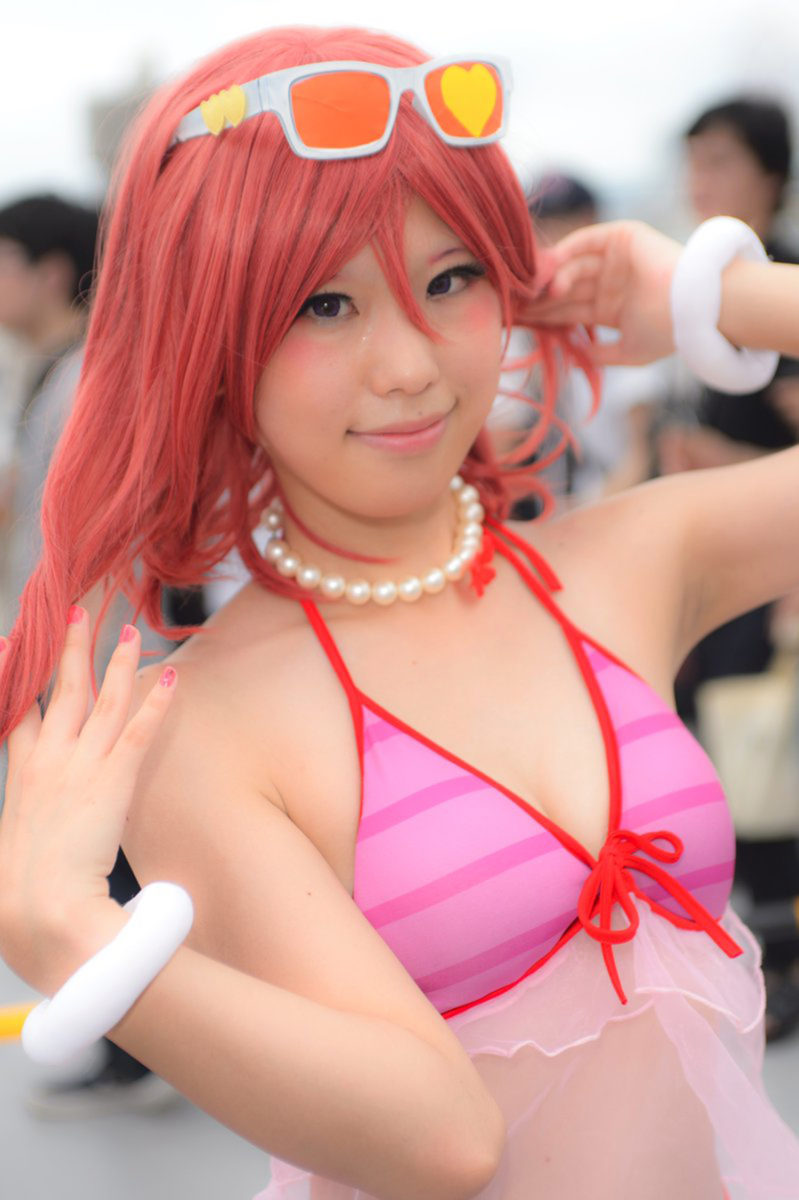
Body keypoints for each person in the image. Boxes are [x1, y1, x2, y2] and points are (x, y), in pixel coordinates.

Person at [1, 26, 799, 1199]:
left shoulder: (627, 560)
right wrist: (83, 946)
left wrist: (714, 293)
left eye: (451, 279)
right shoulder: (200, 721)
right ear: (214, 339)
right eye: (325, 304)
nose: (410, 366)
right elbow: (443, 1142)